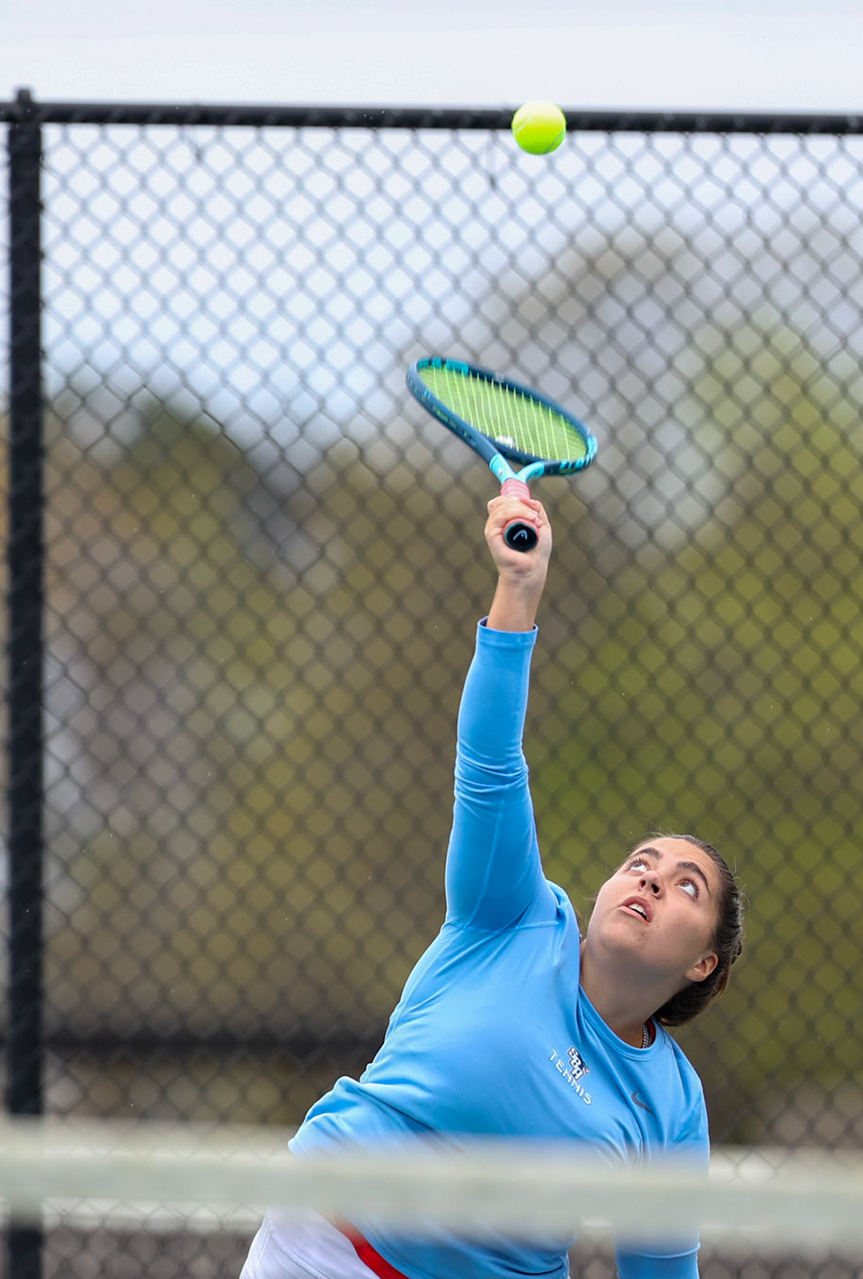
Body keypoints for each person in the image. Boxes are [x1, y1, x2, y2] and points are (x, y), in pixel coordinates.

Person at [241, 490, 745, 1279]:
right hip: (324, 1247)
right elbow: (489, 760)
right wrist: (519, 589)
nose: (650, 878)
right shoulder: (513, 913)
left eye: (687, 886)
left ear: (703, 963)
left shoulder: (673, 1109)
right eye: (640, 862)